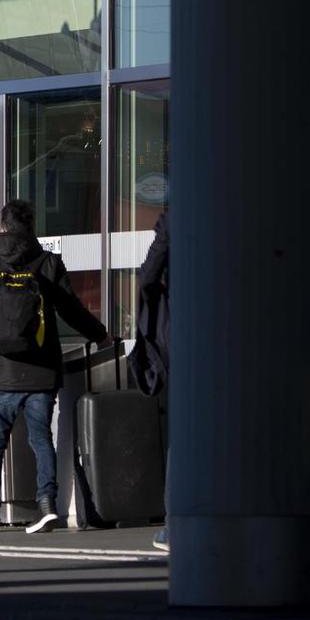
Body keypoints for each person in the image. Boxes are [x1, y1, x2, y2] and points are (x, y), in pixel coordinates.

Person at [0, 199, 111, 535]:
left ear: (2, 228)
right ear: (32, 229)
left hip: (1, 370)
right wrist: (100, 335)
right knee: (41, 439)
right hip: (41, 369)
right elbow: (71, 310)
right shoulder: (48, 263)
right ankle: (46, 506)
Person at [131, 209, 170, 552]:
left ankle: (175, 525)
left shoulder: (175, 219)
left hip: (183, 340)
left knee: (183, 435)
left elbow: (147, 277)